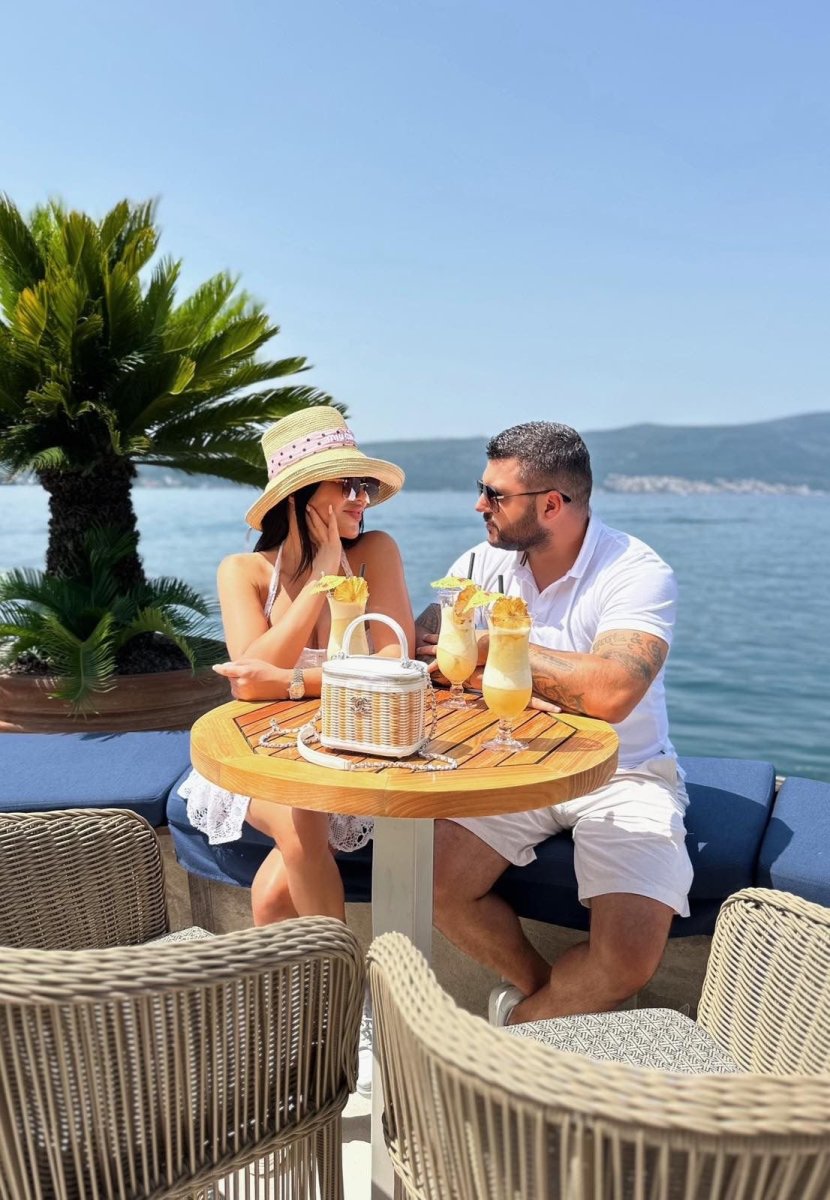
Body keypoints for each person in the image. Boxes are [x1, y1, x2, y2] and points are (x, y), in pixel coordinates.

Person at [418, 420, 692, 1026]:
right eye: (482, 489)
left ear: (551, 504)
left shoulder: (635, 572)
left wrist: (497, 646)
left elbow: (614, 692)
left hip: (623, 773)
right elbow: (428, 650)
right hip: (510, 761)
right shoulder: (479, 564)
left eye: (495, 495)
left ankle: (514, 1034)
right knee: (430, 884)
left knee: (625, 961)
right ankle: (546, 1007)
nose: (479, 505)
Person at [181, 405, 414, 1094]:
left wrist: (289, 681)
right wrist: (320, 581)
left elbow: (393, 662)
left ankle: (285, 1033)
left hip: (348, 750)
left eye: (364, 487)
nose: (360, 500)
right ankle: (350, 1012)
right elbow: (246, 683)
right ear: (300, 498)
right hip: (257, 758)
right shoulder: (243, 572)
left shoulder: (378, 553)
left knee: (274, 895)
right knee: (302, 820)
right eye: (346, 487)